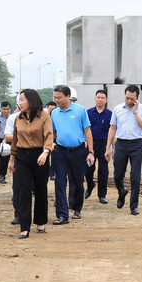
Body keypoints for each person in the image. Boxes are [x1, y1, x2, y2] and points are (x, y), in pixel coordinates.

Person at [8, 89, 53, 239]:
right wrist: (12, 159)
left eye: (22, 100)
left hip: (40, 155)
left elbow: (48, 135)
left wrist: (46, 152)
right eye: (19, 100)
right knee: (24, 191)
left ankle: (40, 221)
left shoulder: (44, 117)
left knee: (40, 189)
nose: (20, 103)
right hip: (22, 156)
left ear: (31, 101)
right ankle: (24, 226)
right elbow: (15, 140)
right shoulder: (18, 118)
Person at [50, 85, 94, 223]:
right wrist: (51, 142)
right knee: (60, 182)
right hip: (61, 151)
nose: (56, 100)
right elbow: (54, 132)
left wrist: (91, 152)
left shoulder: (80, 110)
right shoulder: (54, 113)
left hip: (78, 151)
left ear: (68, 96)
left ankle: (76, 207)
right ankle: (62, 214)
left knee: (77, 182)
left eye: (59, 97)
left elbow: (87, 131)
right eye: (55, 97)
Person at [105, 85, 142, 215]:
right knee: (117, 175)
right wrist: (108, 147)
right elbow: (112, 128)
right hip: (121, 144)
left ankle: (133, 205)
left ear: (137, 98)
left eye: (132, 99)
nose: (129, 101)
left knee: (135, 177)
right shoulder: (117, 109)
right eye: (127, 98)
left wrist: (135, 112)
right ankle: (121, 191)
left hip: (136, 145)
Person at [85, 89, 112, 204]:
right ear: (95, 99)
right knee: (88, 169)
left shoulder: (110, 114)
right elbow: (84, 129)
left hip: (103, 144)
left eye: (102, 98)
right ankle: (90, 185)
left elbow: (112, 130)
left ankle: (102, 195)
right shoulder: (88, 112)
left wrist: (110, 147)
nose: (100, 100)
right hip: (90, 145)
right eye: (98, 97)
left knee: (103, 171)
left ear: (105, 100)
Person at [4, 105, 21, 224]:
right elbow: (8, 137)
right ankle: (19, 214)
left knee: (37, 188)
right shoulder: (14, 118)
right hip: (19, 155)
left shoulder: (41, 117)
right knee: (18, 187)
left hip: (37, 156)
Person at [0, 101, 12, 184]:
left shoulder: (12, 118)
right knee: (1, 157)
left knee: (7, 158)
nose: (6, 111)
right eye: (4, 109)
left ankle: (4, 174)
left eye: (7, 109)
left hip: (9, 140)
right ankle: (1, 175)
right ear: (1, 108)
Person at [46, 101, 57, 181]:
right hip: (45, 139)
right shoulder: (45, 117)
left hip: (54, 139)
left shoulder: (57, 116)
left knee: (54, 157)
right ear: (47, 108)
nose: (52, 110)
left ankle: (52, 173)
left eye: (53, 109)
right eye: (50, 109)